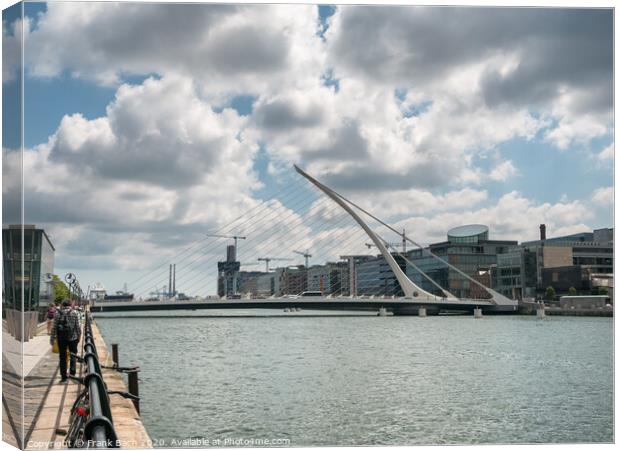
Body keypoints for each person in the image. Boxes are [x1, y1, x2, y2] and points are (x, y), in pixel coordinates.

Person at [50, 299, 81, 383]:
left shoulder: (57, 314)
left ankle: (64, 377)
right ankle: (72, 374)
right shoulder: (75, 313)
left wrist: (52, 339)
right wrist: (79, 336)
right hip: (73, 338)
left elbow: (54, 328)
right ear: (70, 305)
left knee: (62, 357)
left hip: (61, 338)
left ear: (62, 305)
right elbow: (78, 326)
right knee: (73, 356)